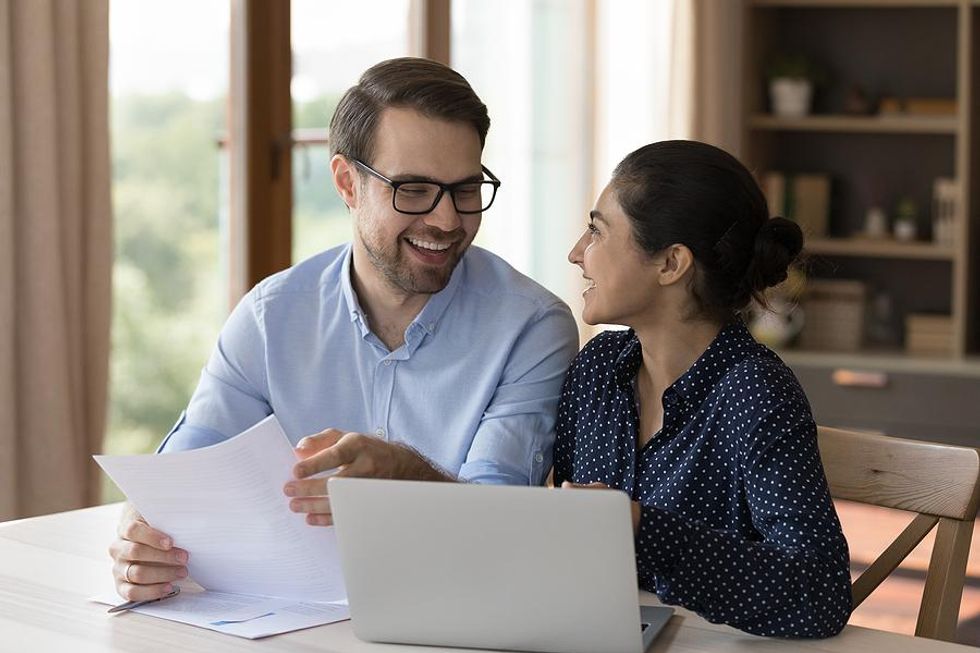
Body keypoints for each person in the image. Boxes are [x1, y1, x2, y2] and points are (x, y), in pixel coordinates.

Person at [108, 57, 579, 603]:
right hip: (283, 625)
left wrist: (408, 477)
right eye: (414, 189)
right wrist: (143, 541)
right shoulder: (270, 317)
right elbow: (181, 484)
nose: (447, 220)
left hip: (453, 617)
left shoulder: (531, 326)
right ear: (346, 183)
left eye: (466, 189)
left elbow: (502, 527)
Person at [555, 140, 852, 638]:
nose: (577, 253)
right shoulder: (596, 371)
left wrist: (638, 529)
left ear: (671, 264)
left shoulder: (756, 392)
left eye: (596, 231)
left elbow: (819, 594)